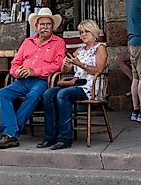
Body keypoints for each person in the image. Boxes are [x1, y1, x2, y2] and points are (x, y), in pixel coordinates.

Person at [0, 7, 66, 149]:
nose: (45, 27)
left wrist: (34, 71)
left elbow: (57, 66)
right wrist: (17, 72)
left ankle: (10, 134)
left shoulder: (59, 42)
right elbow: (15, 63)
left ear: (52, 26)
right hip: (22, 80)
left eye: (48, 24)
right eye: (42, 24)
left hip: (41, 80)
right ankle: (11, 134)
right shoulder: (27, 42)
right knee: (2, 93)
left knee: (33, 96)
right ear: (36, 26)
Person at [38, 20, 106, 150]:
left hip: (90, 87)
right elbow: (66, 71)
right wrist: (66, 65)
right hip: (77, 84)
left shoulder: (100, 48)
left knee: (63, 94)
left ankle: (65, 138)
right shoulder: (79, 51)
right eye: (81, 32)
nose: (83, 35)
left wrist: (80, 64)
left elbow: (98, 70)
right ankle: (50, 136)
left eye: (87, 32)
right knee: (48, 93)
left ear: (94, 33)